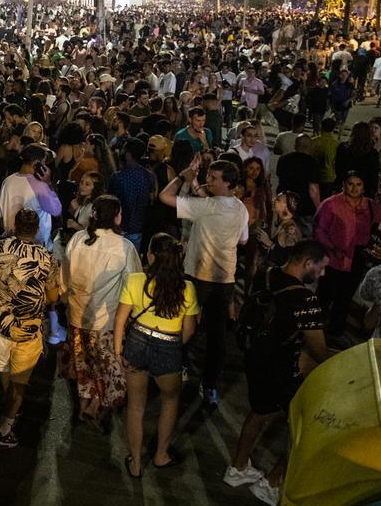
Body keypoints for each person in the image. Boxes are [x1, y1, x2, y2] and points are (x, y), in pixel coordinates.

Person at [225, 241, 332, 505]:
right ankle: (272, 483)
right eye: (320, 268)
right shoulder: (305, 300)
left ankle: (237, 468)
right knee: (303, 428)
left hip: (255, 359)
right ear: (307, 263)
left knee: (259, 412)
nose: (322, 275)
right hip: (285, 370)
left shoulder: (267, 273)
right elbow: (318, 350)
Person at [159, 158, 248, 406]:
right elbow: (243, 240)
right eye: (208, 175)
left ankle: (182, 367)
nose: (209, 180)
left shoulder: (206, 206)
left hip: (197, 277)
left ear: (228, 183)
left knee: (185, 325)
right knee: (217, 336)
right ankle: (210, 385)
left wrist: (183, 176)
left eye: (214, 178)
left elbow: (165, 196)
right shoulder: (240, 208)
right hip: (224, 279)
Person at [113, 233, 199, 477]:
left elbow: (120, 319)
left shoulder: (136, 280)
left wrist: (119, 350)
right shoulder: (186, 288)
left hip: (137, 342)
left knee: (136, 406)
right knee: (170, 401)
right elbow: (190, 329)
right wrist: (172, 346)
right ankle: (161, 454)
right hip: (169, 346)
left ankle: (136, 463)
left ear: (150, 255)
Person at [0, 208, 59, 449]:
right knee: (20, 380)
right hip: (28, 327)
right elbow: (53, 295)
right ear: (36, 230)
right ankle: (7, 425)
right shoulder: (47, 258)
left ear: (14, 226)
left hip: (0, 323)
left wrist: (3, 301)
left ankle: (9, 404)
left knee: (3, 366)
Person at [60, 194, 142, 426]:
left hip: (77, 316)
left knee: (83, 362)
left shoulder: (77, 239)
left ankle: (85, 402)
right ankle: (98, 403)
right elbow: (133, 285)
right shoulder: (124, 247)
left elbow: (65, 276)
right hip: (107, 321)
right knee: (106, 365)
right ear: (117, 217)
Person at [313, 171, 381, 335]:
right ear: (343, 185)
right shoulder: (331, 204)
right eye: (351, 183)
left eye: (358, 184)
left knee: (345, 295)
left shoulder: (371, 205)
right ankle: (312, 328)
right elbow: (319, 229)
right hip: (333, 257)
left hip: (358, 257)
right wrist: (331, 247)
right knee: (324, 293)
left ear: (363, 187)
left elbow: (378, 227)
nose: (354, 188)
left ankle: (336, 330)